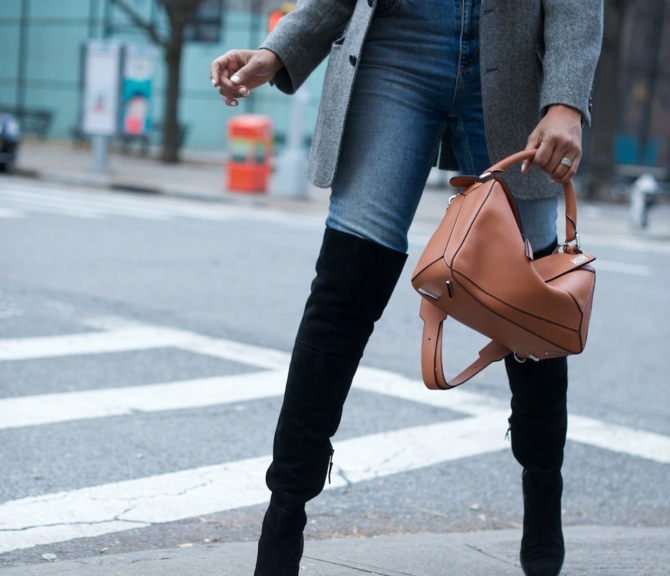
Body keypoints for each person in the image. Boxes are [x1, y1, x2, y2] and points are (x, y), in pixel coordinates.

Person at [210, 1, 603, 575]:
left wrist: (566, 97)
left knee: (532, 303)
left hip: (515, 50)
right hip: (400, 40)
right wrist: (279, 50)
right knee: (344, 288)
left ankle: (543, 492)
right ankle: (284, 514)